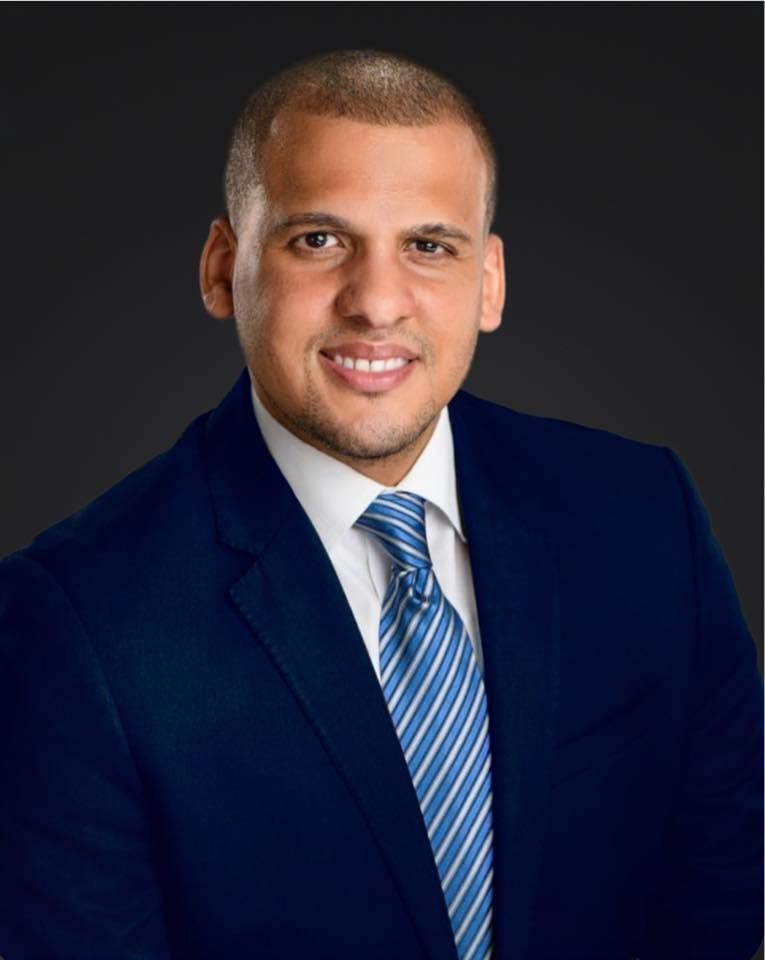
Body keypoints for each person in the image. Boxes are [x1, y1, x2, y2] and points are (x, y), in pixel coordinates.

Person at [0, 49, 761, 960]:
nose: (376, 302)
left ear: (489, 282)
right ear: (221, 267)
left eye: (428, 246)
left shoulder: (643, 517)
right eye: (318, 239)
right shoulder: (73, 620)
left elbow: (722, 896)